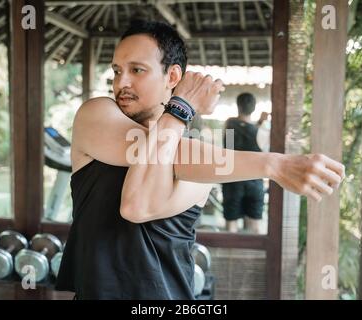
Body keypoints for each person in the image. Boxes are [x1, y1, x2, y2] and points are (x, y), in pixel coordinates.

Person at [55, 20, 345, 300]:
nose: (121, 82)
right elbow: (149, 165)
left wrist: (178, 115)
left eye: (137, 70)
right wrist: (273, 164)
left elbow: (140, 202)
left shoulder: (201, 156)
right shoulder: (95, 114)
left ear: (172, 76)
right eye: (117, 71)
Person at [222, 93, 268, 234]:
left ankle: (229, 255)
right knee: (254, 226)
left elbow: (228, 151)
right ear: (254, 109)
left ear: (238, 106)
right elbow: (253, 138)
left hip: (232, 180)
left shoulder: (229, 124)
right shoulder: (261, 131)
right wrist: (260, 123)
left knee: (231, 227)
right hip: (254, 182)